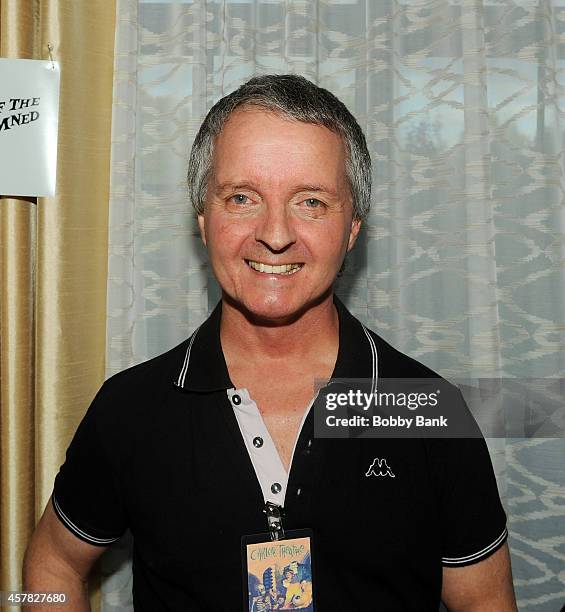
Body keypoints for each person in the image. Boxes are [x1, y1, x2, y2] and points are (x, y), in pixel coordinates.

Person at [23, 74, 518, 611]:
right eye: (241, 197)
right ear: (203, 217)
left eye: (310, 201)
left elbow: (484, 603)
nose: (276, 234)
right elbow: (53, 565)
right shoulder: (132, 411)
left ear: (353, 226)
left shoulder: (426, 409)